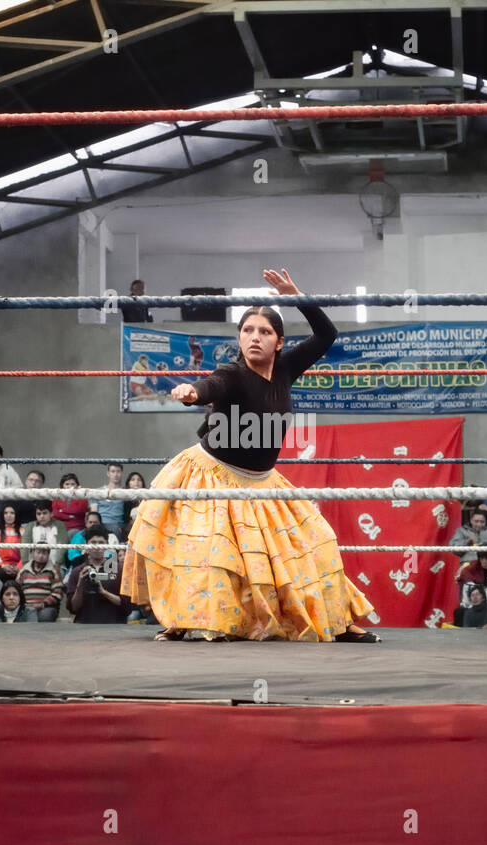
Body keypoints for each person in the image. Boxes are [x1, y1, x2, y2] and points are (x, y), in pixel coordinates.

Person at [121, 268, 375, 642]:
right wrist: (192, 391)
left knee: (313, 545)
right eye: (247, 331)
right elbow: (213, 384)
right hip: (212, 478)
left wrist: (295, 296)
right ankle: (190, 620)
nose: (255, 338)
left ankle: (336, 622)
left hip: (262, 484)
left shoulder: (287, 368)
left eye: (265, 332)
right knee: (209, 557)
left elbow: (327, 335)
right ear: (239, 338)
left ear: (279, 342)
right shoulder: (233, 373)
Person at [68, 526, 130, 624]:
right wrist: (80, 585)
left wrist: (103, 592)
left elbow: (127, 606)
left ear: (107, 545)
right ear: (85, 545)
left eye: (101, 543)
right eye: (93, 543)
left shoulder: (119, 570)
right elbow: (73, 608)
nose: (97, 547)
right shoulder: (77, 571)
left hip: (115, 628)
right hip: (83, 628)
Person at [18, 547, 65, 622]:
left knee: (45, 616)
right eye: (38, 552)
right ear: (33, 553)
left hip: (45, 607)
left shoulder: (53, 570)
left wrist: (43, 604)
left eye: (44, 553)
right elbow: (17, 590)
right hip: (26, 606)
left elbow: (57, 593)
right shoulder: (24, 570)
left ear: (48, 555)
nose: (41, 556)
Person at [20, 503, 67, 570]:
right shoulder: (30, 526)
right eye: (38, 514)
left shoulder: (60, 526)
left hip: (56, 566)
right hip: (33, 567)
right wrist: (26, 566)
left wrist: (56, 566)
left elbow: (62, 548)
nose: (41, 516)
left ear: (51, 514)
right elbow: (24, 547)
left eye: (45, 513)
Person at [0, 504, 25, 578]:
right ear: (2, 515)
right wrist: (3, 565)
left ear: (16, 515)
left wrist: (18, 567)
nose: (9, 515)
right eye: (6, 513)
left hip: (18, 567)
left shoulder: (22, 531)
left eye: (12, 513)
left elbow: (25, 553)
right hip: (0, 566)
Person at [91, 463, 126, 530]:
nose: (115, 475)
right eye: (113, 471)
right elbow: (94, 513)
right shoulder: (97, 491)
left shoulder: (125, 492)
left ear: (121, 473)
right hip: (100, 524)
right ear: (108, 473)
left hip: (117, 526)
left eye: (118, 471)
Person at [121, 471, 147, 536]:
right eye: (133, 479)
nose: (136, 482)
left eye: (139, 480)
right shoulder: (124, 500)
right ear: (128, 483)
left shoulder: (147, 500)